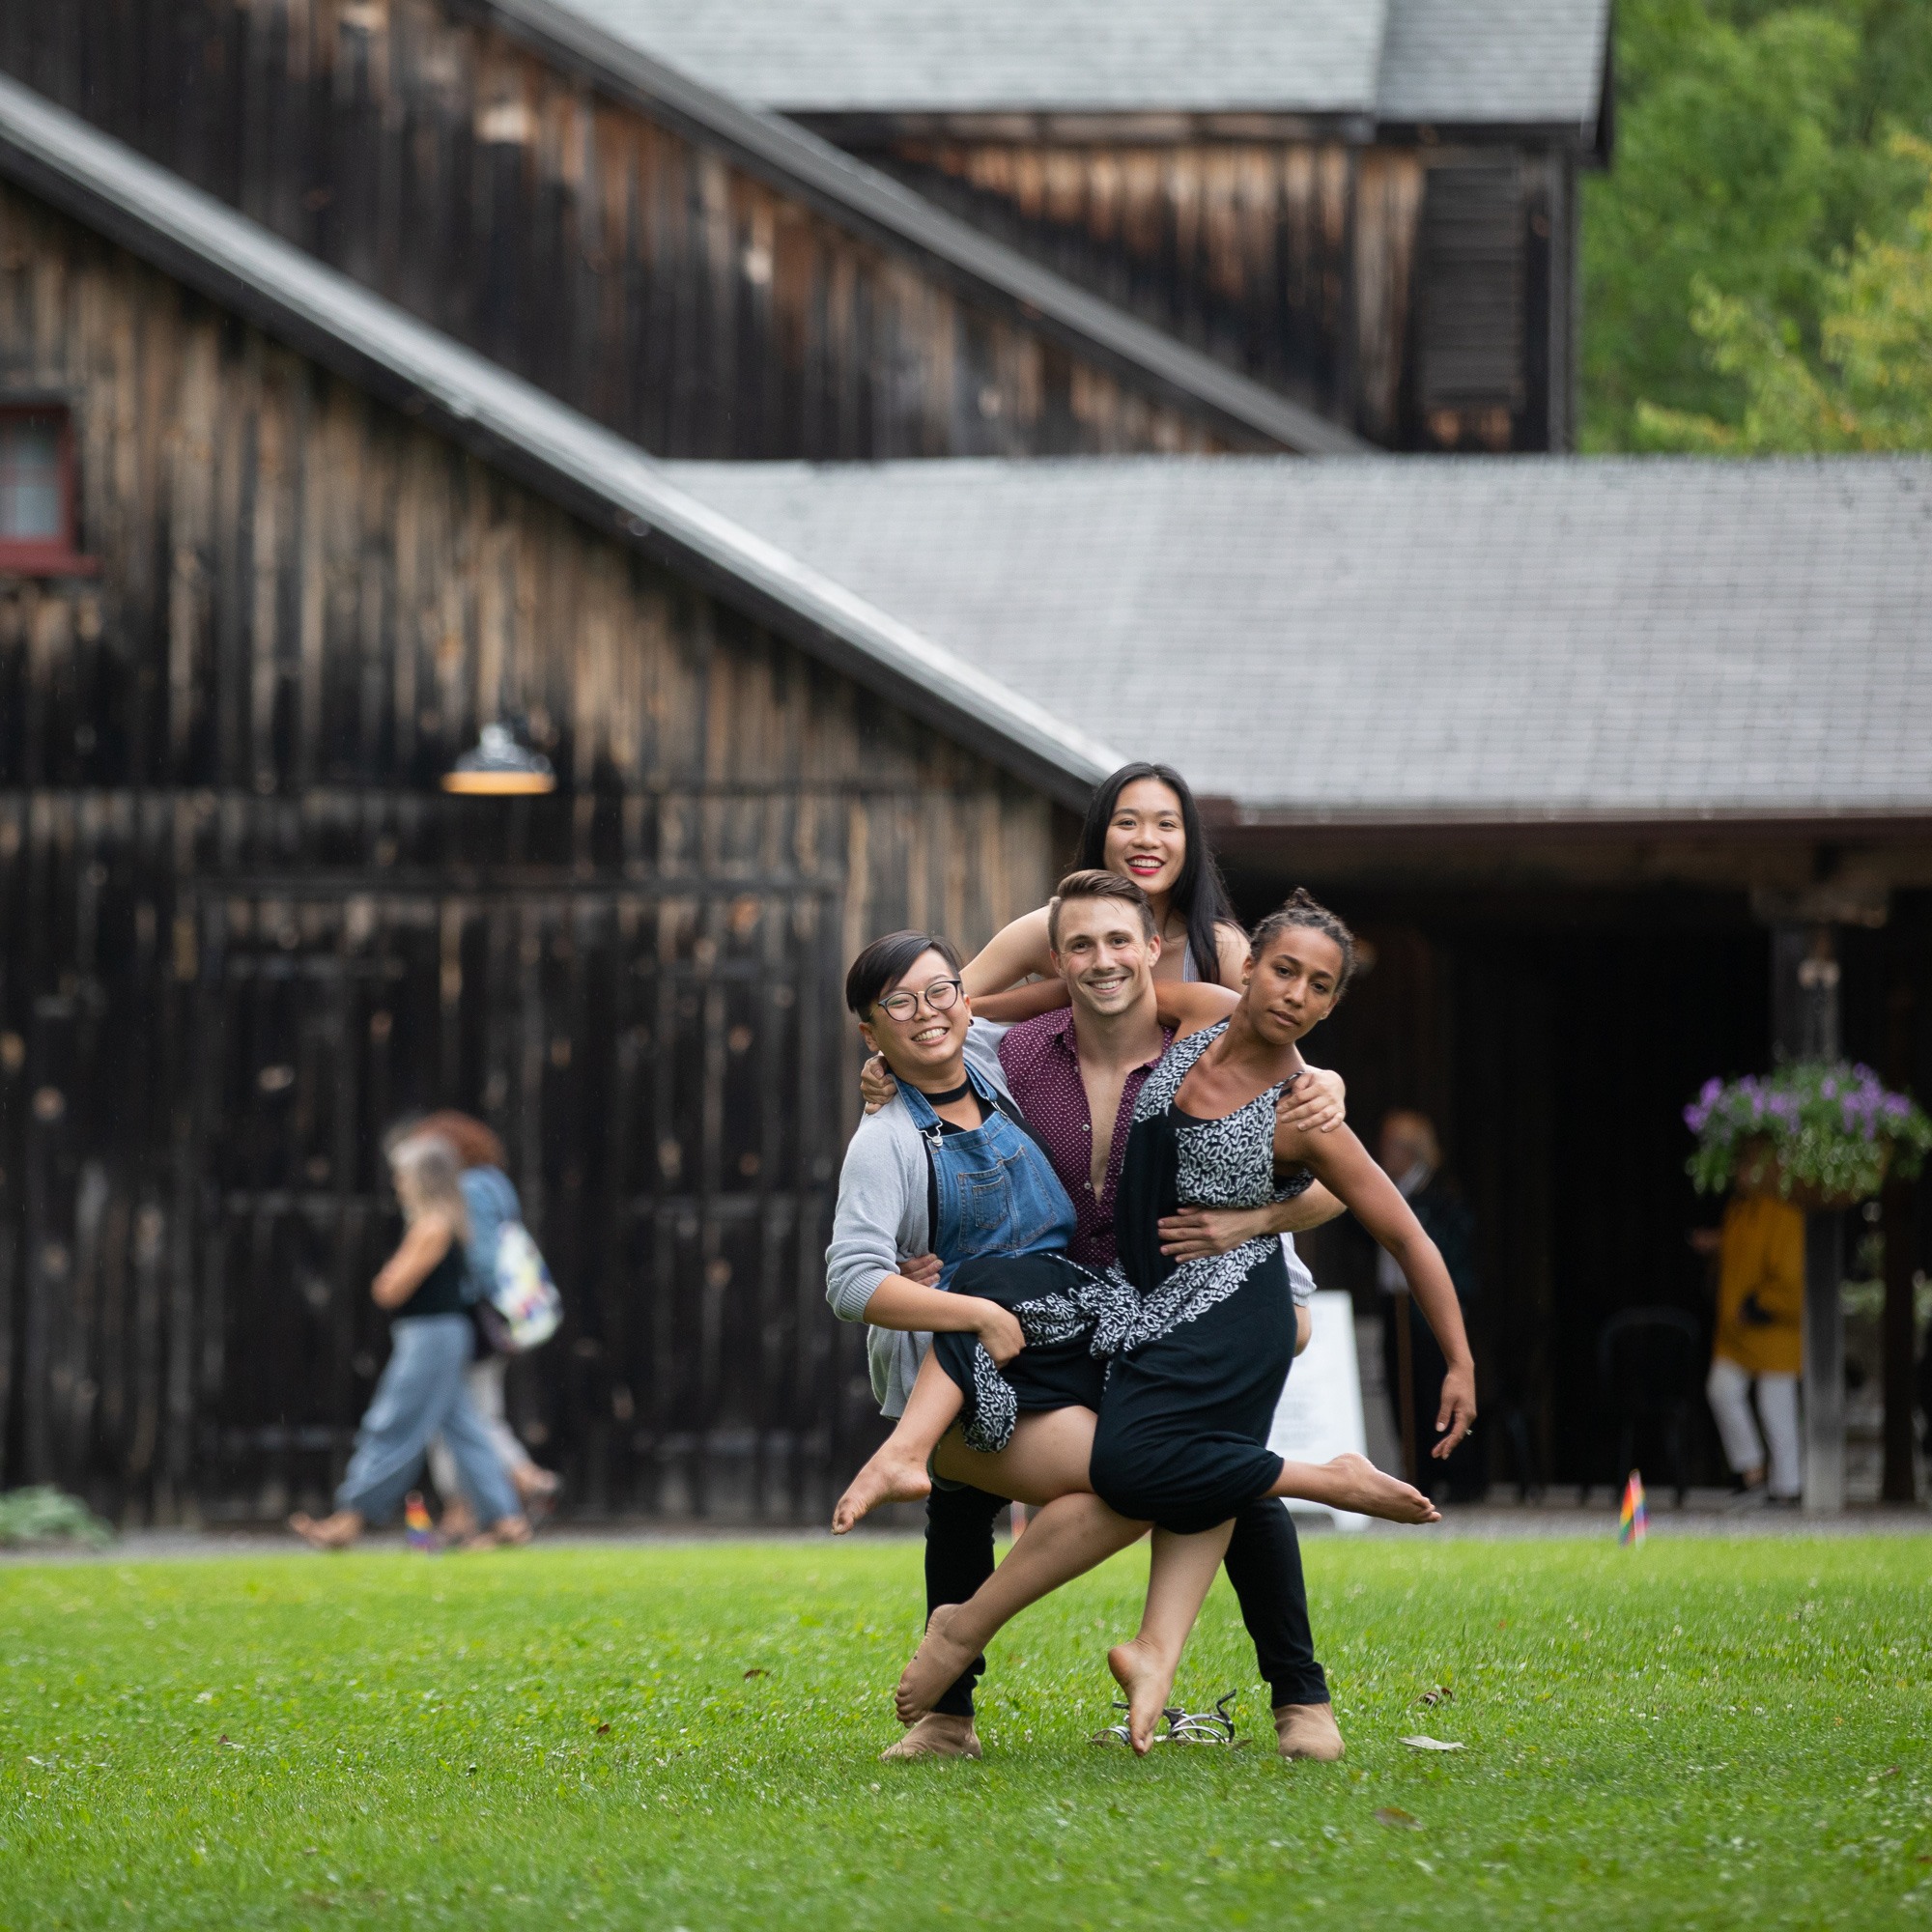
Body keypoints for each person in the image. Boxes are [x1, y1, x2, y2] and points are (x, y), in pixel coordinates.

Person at [879, 893, 1475, 1752]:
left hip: (1235, 1309)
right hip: (1139, 1297)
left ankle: (1324, 1490)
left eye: (1319, 986)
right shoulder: (1196, 1014)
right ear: (1248, 970)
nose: (1295, 994)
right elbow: (1069, 993)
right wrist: (926, 1034)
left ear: (1332, 1006)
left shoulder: (1302, 1109)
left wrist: (1456, 1357)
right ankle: (1142, 1654)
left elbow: (1401, 1229)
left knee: (1135, 1466)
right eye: (1283, 971)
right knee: (1122, 1433)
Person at [289, 1132, 531, 1551]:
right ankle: (507, 1519)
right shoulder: (452, 1220)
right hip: (443, 1332)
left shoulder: (433, 1224)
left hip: (430, 1334)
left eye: (402, 1175)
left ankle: (351, 1515)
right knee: (464, 1428)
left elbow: (389, 1288)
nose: (397, 1183)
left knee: (393, 1421)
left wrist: (388, 1276)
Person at [963, 763, 1250, 1020]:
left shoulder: (1218, 946)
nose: (1147, 840)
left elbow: (1270, 1037)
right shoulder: (1045, 927)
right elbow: (941, 1003)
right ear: (1099, 836)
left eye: (1166, 824)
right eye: (1127, 822)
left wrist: (1062, 994)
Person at [411, 1111, 563, 1537]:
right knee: (477, 1411)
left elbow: (480, 1255)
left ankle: (516, 1482)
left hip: (476, 1316)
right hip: (495, 1320)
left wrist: (461, 1296)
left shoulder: (471, 1187)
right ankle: (483, 1501)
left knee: (461, 1414)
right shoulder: (496, 1184)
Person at [1375, 1110, 1486, 1501]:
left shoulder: (1441, 1195)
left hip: (1428, 1311)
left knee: (1436, 1387)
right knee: (1401, 1387)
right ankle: (1418, 1472)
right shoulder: (1388, 1188)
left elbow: (1452, 1253)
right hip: (1396, 1306)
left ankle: (1457, 1476)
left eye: (1388, 1144)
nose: (1381, 1151)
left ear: (1409, 1151)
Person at [1693, 1171, 1804, 1504]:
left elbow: (1791, 1277)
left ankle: (1788, 1489)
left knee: (1776, 1406)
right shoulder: (1739, 1209)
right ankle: (1753, 1472)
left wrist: (1759, 1304)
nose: (1740, 1174)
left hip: (1774, 1329)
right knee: (1722, 1388)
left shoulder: (1785, 1211)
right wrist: (1717, 1243)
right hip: (1736, 1333)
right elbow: (1741, 1248)